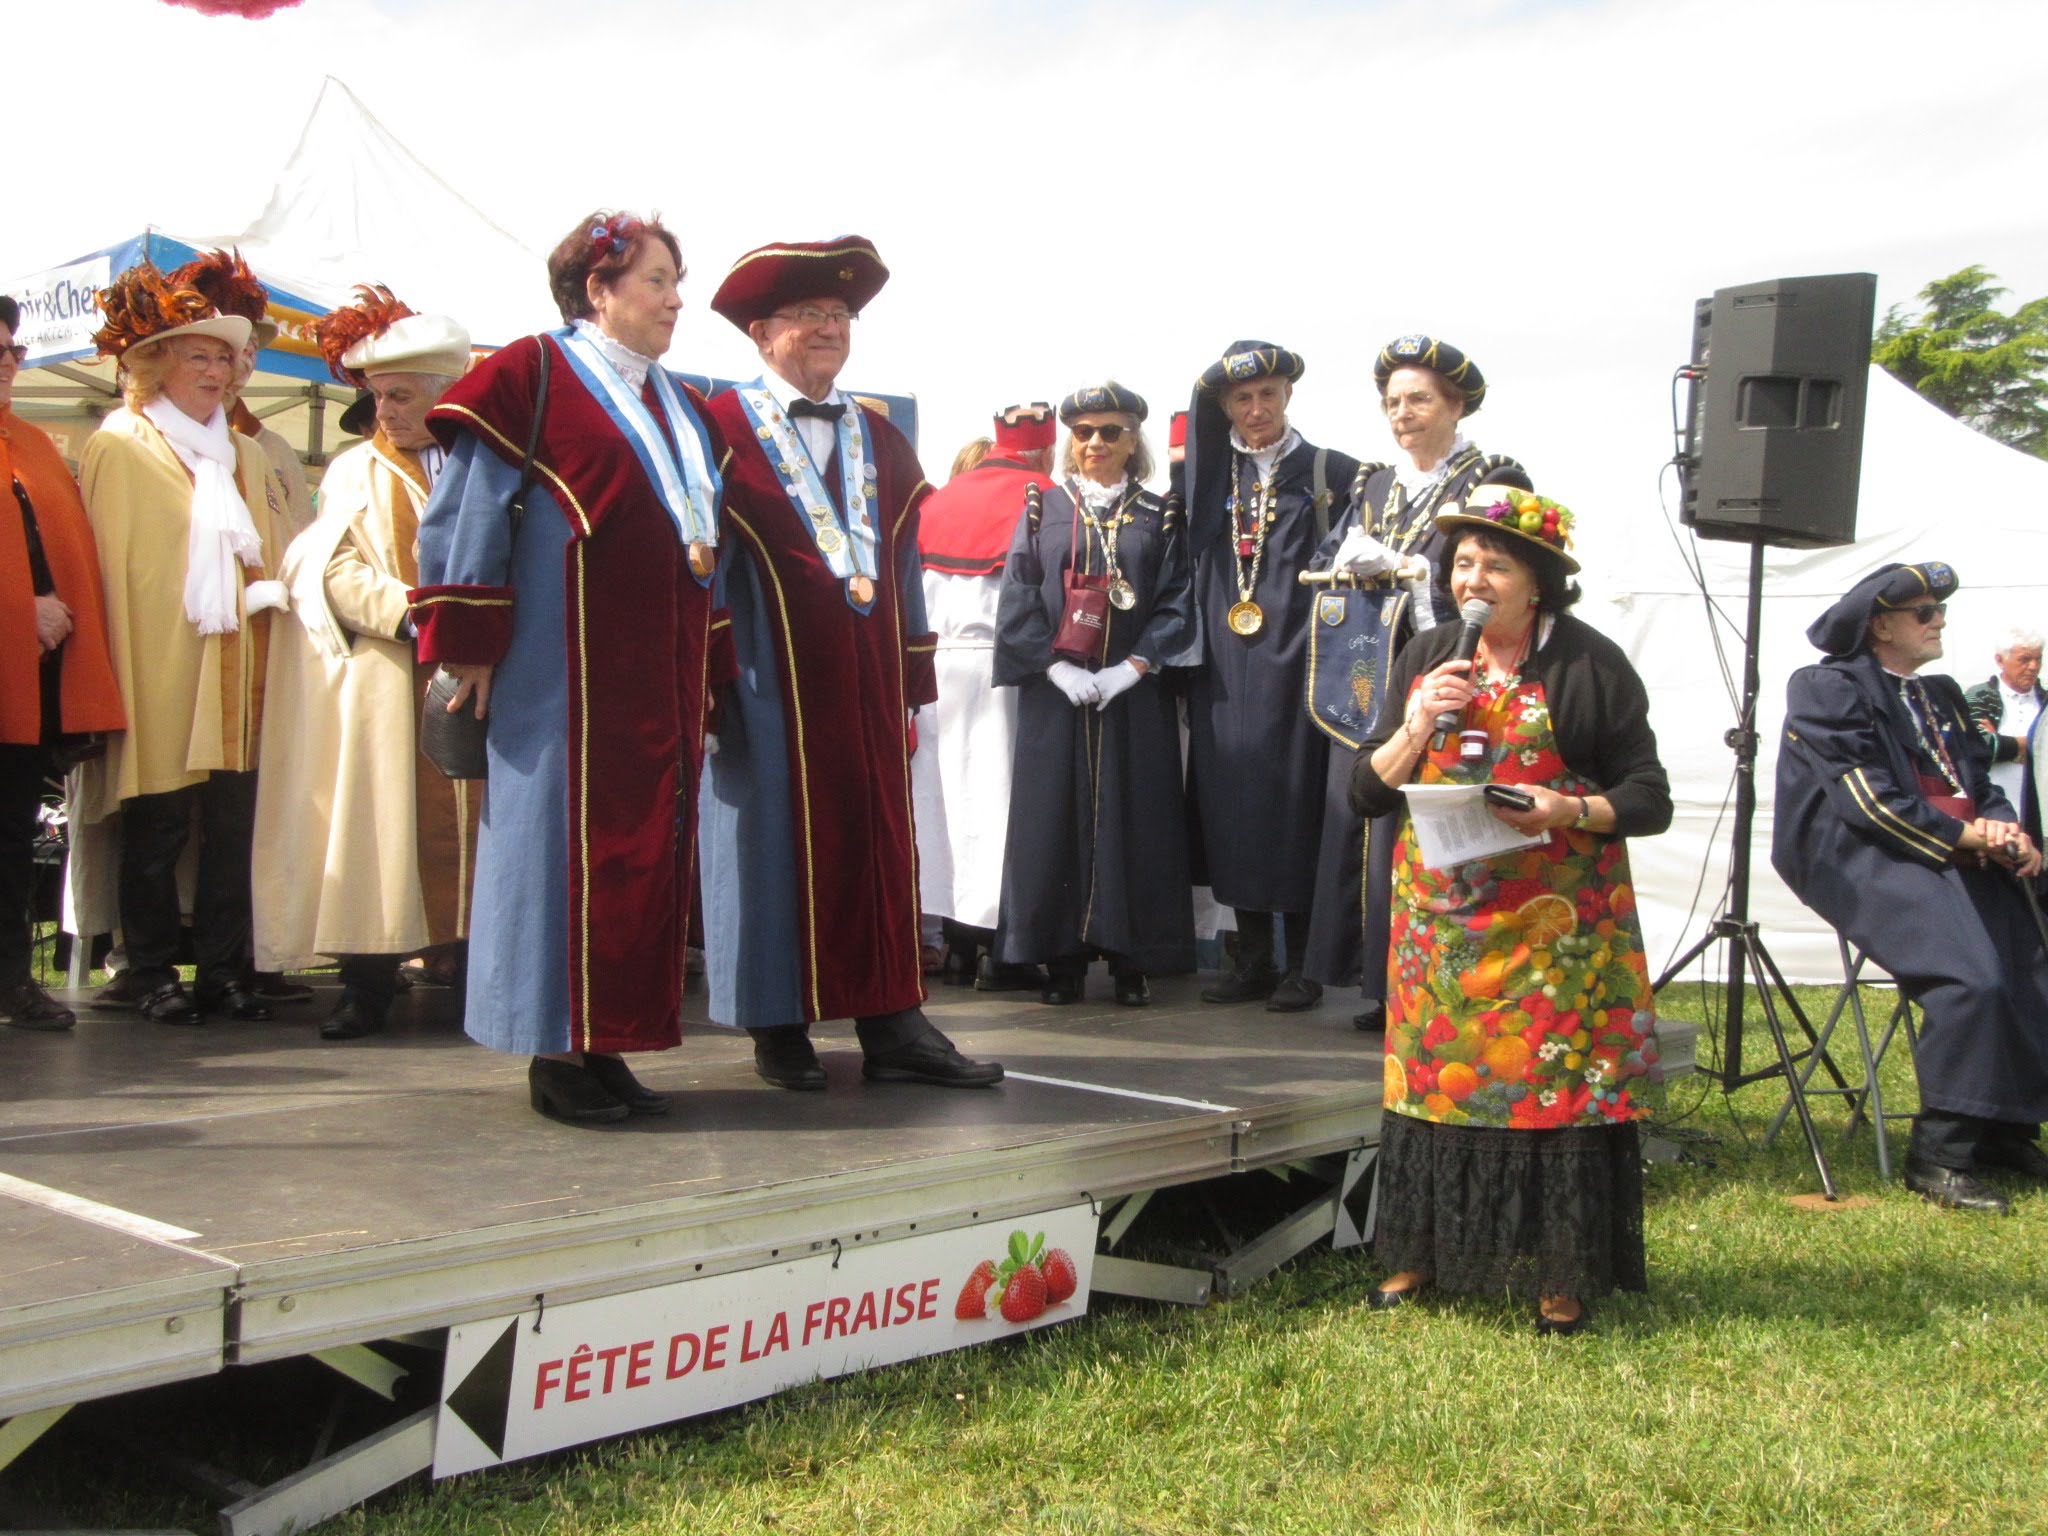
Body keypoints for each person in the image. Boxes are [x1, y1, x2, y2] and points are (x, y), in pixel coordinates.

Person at [413, 209, 726, 1126]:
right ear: (600, 289)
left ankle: (609, 1039)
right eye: (658, 280)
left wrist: (707, 663)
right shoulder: (530, 372)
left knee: (641, 854)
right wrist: (467, 643)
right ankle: (553, 1050)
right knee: (555, 845)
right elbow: (467, 505)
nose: (676, 298)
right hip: (563, 664)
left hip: (653, 670)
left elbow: (707, 545)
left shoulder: (682, 403)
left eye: (676, 279)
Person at [1350, 488, 1669, 1334]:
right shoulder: (1428, 653)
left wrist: (1568, 810)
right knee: (1437, 1087)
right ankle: (1419, 1251)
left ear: (1539, 583)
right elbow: (1363, 793)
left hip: (1553, 926)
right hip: (1443, 925)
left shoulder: (1589, 664)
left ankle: (1560, 1272)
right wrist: (1417, 722)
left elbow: (1649, 797)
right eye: (1462, 564)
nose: (1473, 580)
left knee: (1551, 1091)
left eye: (1495, 564)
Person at [700, 235, 1001, 1090]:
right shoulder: (716, 429)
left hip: (864, 680)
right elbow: (701, 561)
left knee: (876, 844)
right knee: (766, 843)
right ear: (761, 333)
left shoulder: (877, 433)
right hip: (765, 674)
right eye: (808, 315)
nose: (830, 328)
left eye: (840, 316)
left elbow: (903, 563)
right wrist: (712, 681)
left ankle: (891, 1021)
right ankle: (776, 1023)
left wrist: (910, 679)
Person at [1775, 563, 2048, 1215]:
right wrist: (1965, 839)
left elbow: (1978, 787)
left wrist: (2009, 832)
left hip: (1949, 849)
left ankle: (2003, 1131)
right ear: (1880, 624)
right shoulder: (1826, 688)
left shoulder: (1942, 695)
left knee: (2030, 959)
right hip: (1857, 855)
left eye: (1939, 611)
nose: (1939, 621)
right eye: (1925, 613)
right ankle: (1940, 1156)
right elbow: (1867, 801)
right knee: (1971, 979)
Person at [255, 287, 477, 1041]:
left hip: (476, 678)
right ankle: (367, 983)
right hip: (391, 674)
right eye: (379, 396)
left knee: (479, 830)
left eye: (402, 395)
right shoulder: (355, 470)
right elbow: (324, 566)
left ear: (444, 396)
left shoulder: (482, 468)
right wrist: (411, 610)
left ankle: (476, 967)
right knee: (378, 829)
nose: (386, 410)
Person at [76, 262, 291, 1026]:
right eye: (196, 354)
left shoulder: (249, 454)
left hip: (238, 665)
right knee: (159, 821)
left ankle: (225, 970)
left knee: (234, 825)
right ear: (155, 364)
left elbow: (268, 552)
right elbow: (109, 567)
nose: (215, 368)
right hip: (159, 663)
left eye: (223, 356)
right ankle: (150, 967)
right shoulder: (123, 444)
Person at [1305, 335, 1531, 1031]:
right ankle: (1382, 981)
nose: (1402, 413)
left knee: (1439, 819)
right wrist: (1357, 560)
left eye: (1418, 400)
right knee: (1372, 820)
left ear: (1456, 404)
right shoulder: (1375, 484)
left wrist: (1417, 576)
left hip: (1453, 665)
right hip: (1375, 674)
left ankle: (1455, 972)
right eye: (1393, 402)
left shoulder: (1492, 477)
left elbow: (1505, 568)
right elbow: (1324, 557)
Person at [992, 383, 1198, 1005]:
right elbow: (1019, 594)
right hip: (1057, 698)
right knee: (1053, 820)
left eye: (1110, 431)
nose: (1096, 444)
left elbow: (1179, 599)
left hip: (1133, 697)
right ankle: (1062, 962)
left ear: (1134, 438)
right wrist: (1056, 670)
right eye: (1083, 433)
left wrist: (1132, 667)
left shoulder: (1160, 514)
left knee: (1138, 819)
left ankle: (1133, 961)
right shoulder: (1043, 509)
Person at [1182, 342, 1359, 1012]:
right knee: (1233, 808)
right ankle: (1251, 956)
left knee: (1300, 805)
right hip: (1227, 666)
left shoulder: (1333, 473)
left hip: (1301, 661)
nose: (1256, 410)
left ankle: (1306, 966)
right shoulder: (1203, 478)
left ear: (1288, 394)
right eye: (1241, 398)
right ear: (1223, 404)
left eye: (1267, 394)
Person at [0, 295, 125, 1032]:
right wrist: (24, 608)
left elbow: (54, 547)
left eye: (13, 349)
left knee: (11, 835)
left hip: (24, 681)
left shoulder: (34, 446)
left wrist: (52, 606)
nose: (11, 361)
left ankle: (10, 980)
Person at [913, 403, 1058, 993]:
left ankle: (955, 945)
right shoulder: (1046, 496)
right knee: (1003, 809)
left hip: (936, 666)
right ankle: (1006, 950)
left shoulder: (939, 499)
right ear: (1045, 449)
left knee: (944, 810)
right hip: (1008, 667)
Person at [177, 249, 316, 548]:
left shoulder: (271, 449)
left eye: (253, 347)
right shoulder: (145, 438)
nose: (247, 358)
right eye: (238, 346)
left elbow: (301, 543)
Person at [1962, 626, 2043, 810]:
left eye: (2038, 659)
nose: (2034, 667)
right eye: (2025, 660)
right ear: (2000, 660)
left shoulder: (2044, 702)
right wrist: (2036, 746)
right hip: (1996, 812)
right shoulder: (1979, 696)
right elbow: (1979, 746)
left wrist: (2005, 745)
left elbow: (1994, 745)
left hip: (2041, 815)